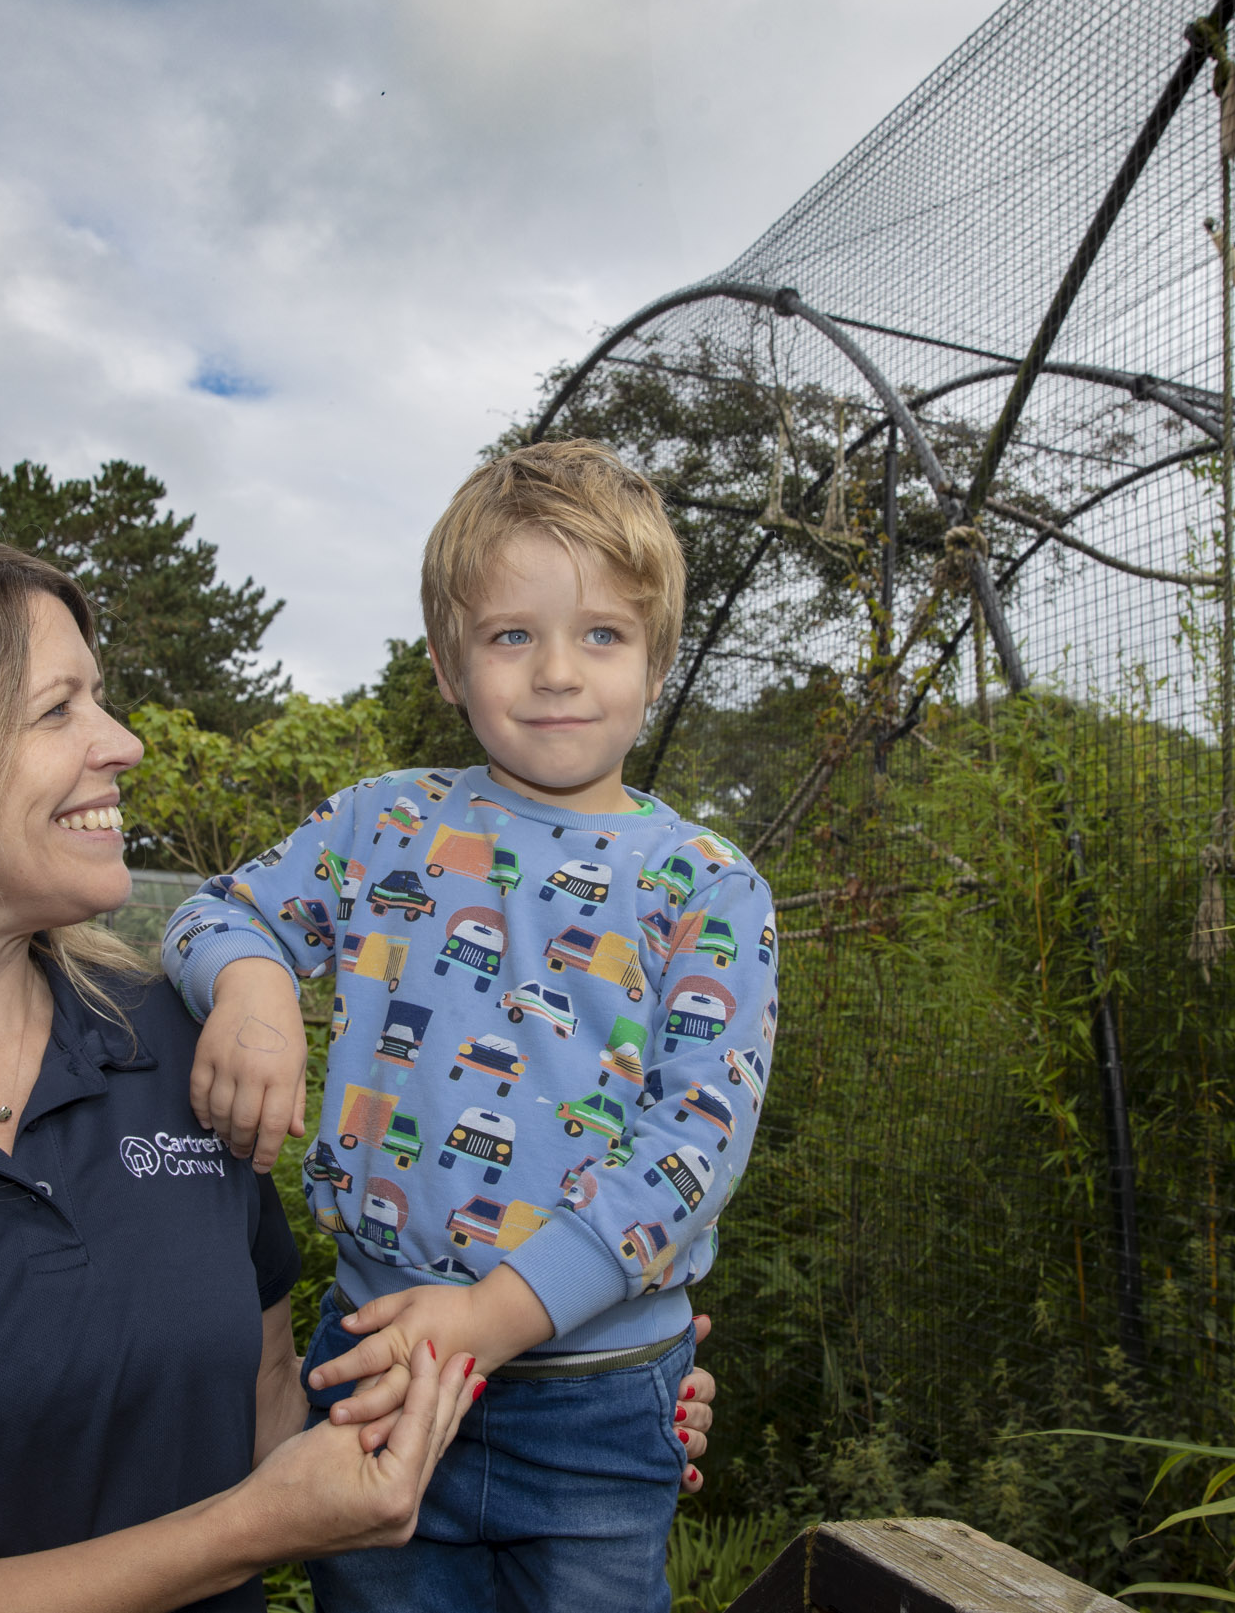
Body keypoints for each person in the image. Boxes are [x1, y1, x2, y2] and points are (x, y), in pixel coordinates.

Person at [0, 521, 725, 1613]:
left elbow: (277, 1419)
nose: (122, 742)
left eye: (99, 698)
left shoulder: (171, 1042)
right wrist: (242, 1532)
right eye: (56, 709)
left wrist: (571, 1389)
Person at [159, 440, 778, 1612]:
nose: (557, 672)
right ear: (448, 663)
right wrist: (255, 987)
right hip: (381, 1359)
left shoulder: (706, 884)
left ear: (657, 663)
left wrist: (492, 1320)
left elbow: (694, 1144)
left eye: (603, 634)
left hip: (597, 1395)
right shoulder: (378, 826)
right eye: (510, 635)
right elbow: (215, 913)